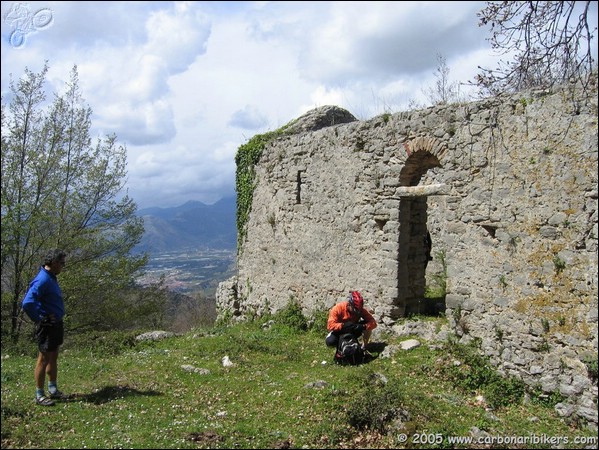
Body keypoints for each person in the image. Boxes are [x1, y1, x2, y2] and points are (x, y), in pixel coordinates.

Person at [21, 249, 68, 406]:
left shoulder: (51, 277)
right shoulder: (42, 280)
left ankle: (53, 389)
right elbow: (27, 302)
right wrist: (40, 319)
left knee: (53, 355)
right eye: (62, 263)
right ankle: (39, 394)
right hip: (47, 326)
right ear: (54, 263)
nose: (63, 266)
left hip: (55, 324)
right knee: (43, 358)